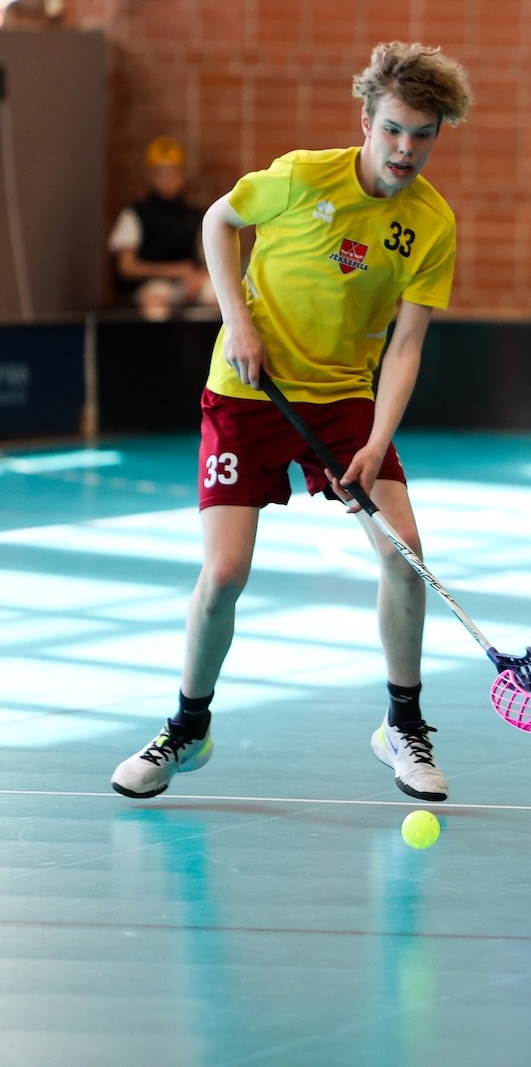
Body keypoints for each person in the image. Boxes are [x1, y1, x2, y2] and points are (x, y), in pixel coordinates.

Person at [110, 43, 473, 802]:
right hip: (249, 393)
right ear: (366, 122)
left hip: (342, 401)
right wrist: (237, 322)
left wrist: (376, 442)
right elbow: (218, 221)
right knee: (224, 575)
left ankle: (403, 724)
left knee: (403, 552)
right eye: (394, 130)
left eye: (423, 135)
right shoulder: (303, 176)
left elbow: (407, 345)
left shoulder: (431, 223)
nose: (406, 150)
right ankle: (187, 727)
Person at [107, 137, 216, 321]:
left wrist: (196, 278)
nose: (168, 179)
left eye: (173, 172)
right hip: (152, 284)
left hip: (191, 281)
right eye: (161, 173)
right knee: (155, 306)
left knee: (217, 296)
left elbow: (211, 261)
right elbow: (127, 267)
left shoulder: (197, 216)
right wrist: (173, 271)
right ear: (151, 175)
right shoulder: (134, 214)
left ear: (182, 174)